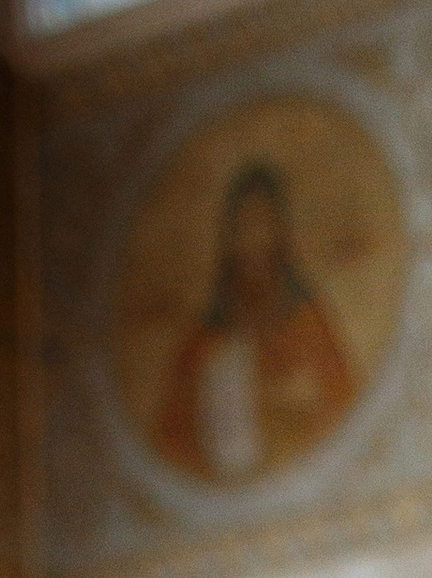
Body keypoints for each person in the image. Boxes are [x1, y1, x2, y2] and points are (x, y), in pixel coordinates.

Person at [152, 162, 358, 484]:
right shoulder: (203, 341)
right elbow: (169, 441)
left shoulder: (307, 322)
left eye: (264, 225)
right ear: (229, 241)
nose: (255, 243)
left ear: (280, 234)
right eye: (245, 227)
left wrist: (289, 404)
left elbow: (344, 407)